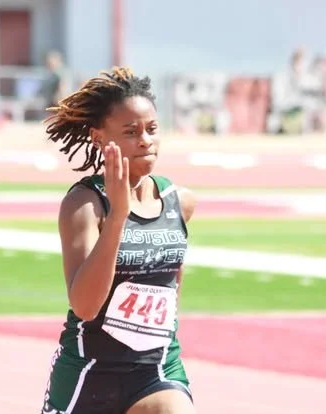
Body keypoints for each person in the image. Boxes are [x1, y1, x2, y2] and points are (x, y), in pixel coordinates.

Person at [41, 67, 197, 414]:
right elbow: (84, 305)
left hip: (155, 371)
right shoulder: (84, 204)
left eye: (152, 129)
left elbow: (171, 286)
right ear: (99, 138)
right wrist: (117, 217)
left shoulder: (178, 201)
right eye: (131, 131)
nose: (145, 140)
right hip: (89, 375)